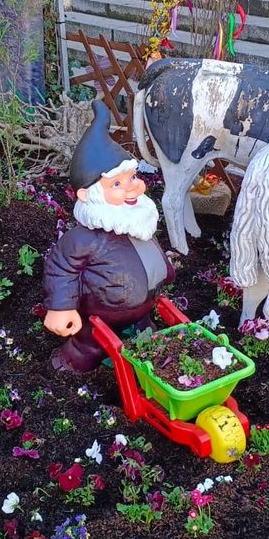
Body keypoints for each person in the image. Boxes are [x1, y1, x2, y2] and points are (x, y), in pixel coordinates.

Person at [43, 100, 174, 374]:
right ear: (87, 194)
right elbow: (61, 267)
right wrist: (61, 307)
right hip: (99, 315)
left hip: (143, 305)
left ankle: (140, 335)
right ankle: (74, 361)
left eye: (133, 177)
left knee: (143, 334)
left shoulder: (136, 220)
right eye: (117, 184)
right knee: (90, 344)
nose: (132, 188)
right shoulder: (85, 239)